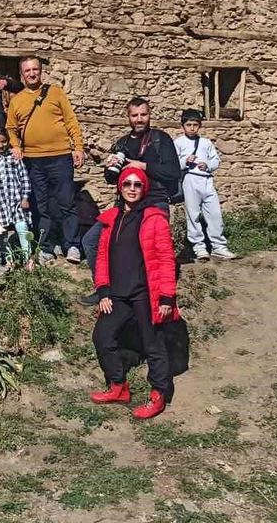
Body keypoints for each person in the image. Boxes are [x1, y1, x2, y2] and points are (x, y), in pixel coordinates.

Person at [88, 167, 180, 420]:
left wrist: (166, 297)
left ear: (144, 189)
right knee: (103, 338)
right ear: (120, 187)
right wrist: (103, 290)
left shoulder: (154, 219)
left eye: (137, 185)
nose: (131, 188)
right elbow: (102, 258)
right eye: (126, 183)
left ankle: (158, 394)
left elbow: (165, 259)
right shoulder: (111, 219)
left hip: (145, 294)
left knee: (153, 345)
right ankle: (118, 386)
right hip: (117, 295)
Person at [81, 97, 180, 299]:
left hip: (154, 201)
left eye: (143, 114)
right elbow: (111, 179)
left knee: (146, 250)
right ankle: (104, 289)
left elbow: (173, 172)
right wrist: (110, 167)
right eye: (134, 115)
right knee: (91, 241)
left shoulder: (161, 139)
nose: (139, 119)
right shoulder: (122, 143)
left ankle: (151, 295)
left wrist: (141, 166)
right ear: (128, 117)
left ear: (149, 115)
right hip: (125, 205)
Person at [5, 57, 85, 263]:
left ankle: (73, 245)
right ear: (21, 75)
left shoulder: (55, 92)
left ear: (41, 71)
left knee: (66, 202)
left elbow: (70, 121)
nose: (32, 74)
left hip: (60, 156)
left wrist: (78, 147)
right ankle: (46, 246)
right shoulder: (17, 100)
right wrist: (15, 146)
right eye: (27, 71)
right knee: (41, 205)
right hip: (33, 159)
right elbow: (11, 128)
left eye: (35, 70)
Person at [175, 109, 237, 262]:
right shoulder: (178, 142)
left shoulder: (206, 142)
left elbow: (216, 160)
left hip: (206, 179)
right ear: (183, 125)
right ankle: (199, 247)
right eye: (188, 124)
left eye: (195, 125)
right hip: (190, 179)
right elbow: (172, 163)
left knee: (214, 213)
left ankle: (218, 246)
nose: (192, 128)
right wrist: (185, 162)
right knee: (193, 214)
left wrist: (207, 165)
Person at [0, 128, 33, 267]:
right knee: (2, 232)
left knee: (22, 226)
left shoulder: (15, 157)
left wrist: (25, 197)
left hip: (16, 199)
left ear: (8, 141)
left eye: (3, 141)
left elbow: (24, 178)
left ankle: (28, 258)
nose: (1, 145)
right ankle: (9, 259)